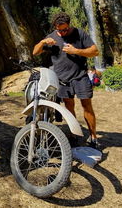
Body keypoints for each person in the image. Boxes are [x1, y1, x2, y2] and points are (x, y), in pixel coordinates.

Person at [33, 12, 100, 149]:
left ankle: (93, 137)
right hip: (62, 80)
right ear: (55, 27)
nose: (63, 32)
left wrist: (76, 51)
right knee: (69, 108)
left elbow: (95, 51)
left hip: (80, 76)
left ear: (69, 25)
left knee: (87, 106)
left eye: (65, 29)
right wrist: (43, 42)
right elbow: (35, 52)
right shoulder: (51, 37)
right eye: (60, 30)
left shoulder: (79, 34)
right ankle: (74, 135)